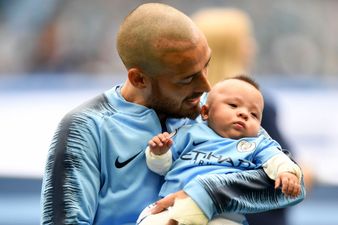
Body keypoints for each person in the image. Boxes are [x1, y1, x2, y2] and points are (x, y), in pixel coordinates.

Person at [40, 3, 305, 225]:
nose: (206, 86)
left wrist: (206, 194)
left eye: (206, 66)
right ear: (139, 78)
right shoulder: (85, 127)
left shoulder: (212, 110)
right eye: (187, 78)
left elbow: (291, 186)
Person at [192, 7, 313, 225]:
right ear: (233, 49)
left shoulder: (181, 106)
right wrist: (308, 173)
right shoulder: (255, 107)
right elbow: (291, 176)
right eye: (246, 39)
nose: (252, 46)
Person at [137, 76, 302, 225]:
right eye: (233, 105)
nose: (244, 114)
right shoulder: (188, 133)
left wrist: (286, 172)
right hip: (171, 205)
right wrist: (159, 152)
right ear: (206, 112)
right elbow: (163, 167)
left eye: (254, 114)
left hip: (223, 214)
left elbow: (276, 158)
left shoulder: (257, 143)